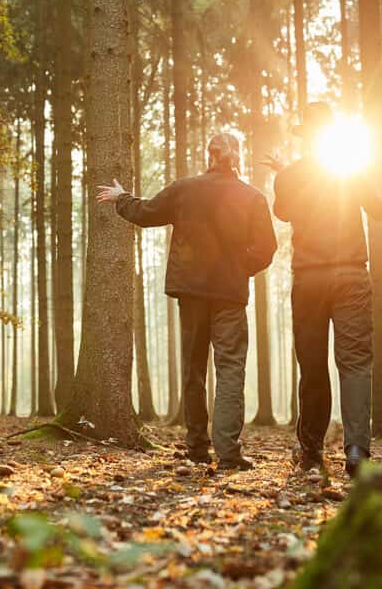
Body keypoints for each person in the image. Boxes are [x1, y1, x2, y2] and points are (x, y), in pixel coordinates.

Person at [96, 133, 277, 470]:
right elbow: (267, 248)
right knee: (230, 369)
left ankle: (196, 447)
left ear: (208, 155)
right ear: (237, 157)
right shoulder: (252, 197)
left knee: (194, 369)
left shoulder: (185, 189)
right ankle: (228, 452)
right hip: (229, 295)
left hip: (191, 292)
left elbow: (147, 212)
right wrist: (239, 269)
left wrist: (122, 198)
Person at [265, 101, 382, 479]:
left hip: (310, 278)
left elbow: (282, 211)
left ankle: (312, 448)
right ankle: (356, 449)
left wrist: (286, 174)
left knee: (312, 363)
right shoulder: (350, 169)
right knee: (355, 363)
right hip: (350, 274)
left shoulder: (289, 176)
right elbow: (380, 210)